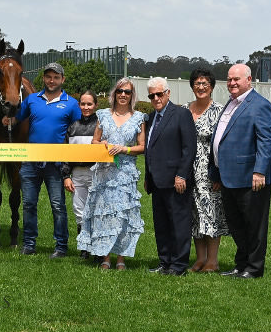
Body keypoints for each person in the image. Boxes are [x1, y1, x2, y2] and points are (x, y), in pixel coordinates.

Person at [210, 64, 271, 279]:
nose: (232, 83)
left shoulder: (259, 105)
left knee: (254, 225)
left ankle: (254, 268)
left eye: (237, 79)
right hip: (229, 176)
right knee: (237, 225)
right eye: (229, 79)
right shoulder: (232, 103)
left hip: (251, 177)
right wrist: (216, 174)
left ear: (249, 80)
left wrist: (259, 171)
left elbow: (266, 140)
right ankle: (240, 265)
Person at [3, 62, 81, 258]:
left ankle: (61, 246)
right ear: (43, 79)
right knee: (29, 204)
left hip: (56, 165)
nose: (51, 80)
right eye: (48, 77)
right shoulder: (31, 100)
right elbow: (17, 118)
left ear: (62, 79)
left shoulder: (71, 104)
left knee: (57, 205)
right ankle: (29, 244)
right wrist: (8, 120)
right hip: (30, 163)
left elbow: (78, 131)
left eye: (56, 77)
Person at [77, 78, 145, 270]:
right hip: (104, 174)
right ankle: (105, 256)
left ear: (132, 96)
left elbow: (142, 146)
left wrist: (125, 149)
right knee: (104, 214)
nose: (123, 95)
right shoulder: (103, 115)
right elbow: (94, 142)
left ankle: (121, 258)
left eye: (127, 92)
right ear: (114, 94)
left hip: (125, 174)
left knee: (123, 215)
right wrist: (103, 145)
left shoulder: (139, 117)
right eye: (120, 91)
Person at [144, 77, 196, 276]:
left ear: (168, 93)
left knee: (179, 224)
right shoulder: (151, 117)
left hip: (176, 181)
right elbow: (151, 149)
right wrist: (148, 177)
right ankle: (164, 262)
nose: (156, 98)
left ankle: (179, 265)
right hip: (157, 182)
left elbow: (189, 148)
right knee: (162, 225)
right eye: (152, 95)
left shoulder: (181, 114)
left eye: (159, 94)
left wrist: (182, 175)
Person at [182, 68, 228, 273]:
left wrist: (218, 173)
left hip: (209, 171)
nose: (201, 87)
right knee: (194, 215)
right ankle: (200, 259)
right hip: (188, 170)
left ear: (211, 87)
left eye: (205, 83)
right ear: (192, 86)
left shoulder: (220, 111)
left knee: (211, 214)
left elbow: (224, 145)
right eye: (197, 83)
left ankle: (213, 260)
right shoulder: (183, 110)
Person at [61, 90, 98, 259]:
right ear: (79, 105)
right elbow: (66, 155)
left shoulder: (101, 126)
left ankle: (99, 248)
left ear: (95, 105)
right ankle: (84, 247)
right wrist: (66, 176)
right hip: (77, 174)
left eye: (89, 104)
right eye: (83, 104)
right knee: (79, 211)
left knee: (97, 210)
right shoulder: (72, 127)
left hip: (97, 174)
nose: (86, 107)